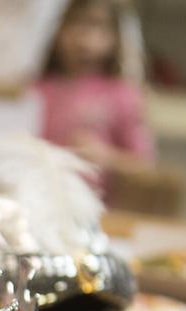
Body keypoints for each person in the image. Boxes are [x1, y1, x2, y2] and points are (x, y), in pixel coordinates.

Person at [37, 0, 155, 188]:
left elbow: (144, 165)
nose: (83, 37)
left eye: (97, 25)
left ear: (116, 36)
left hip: (102, 211)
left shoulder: (124, 95)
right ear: (58, 30)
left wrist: (106, 156)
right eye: (75, 23)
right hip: (38, 200)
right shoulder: (37, 90)